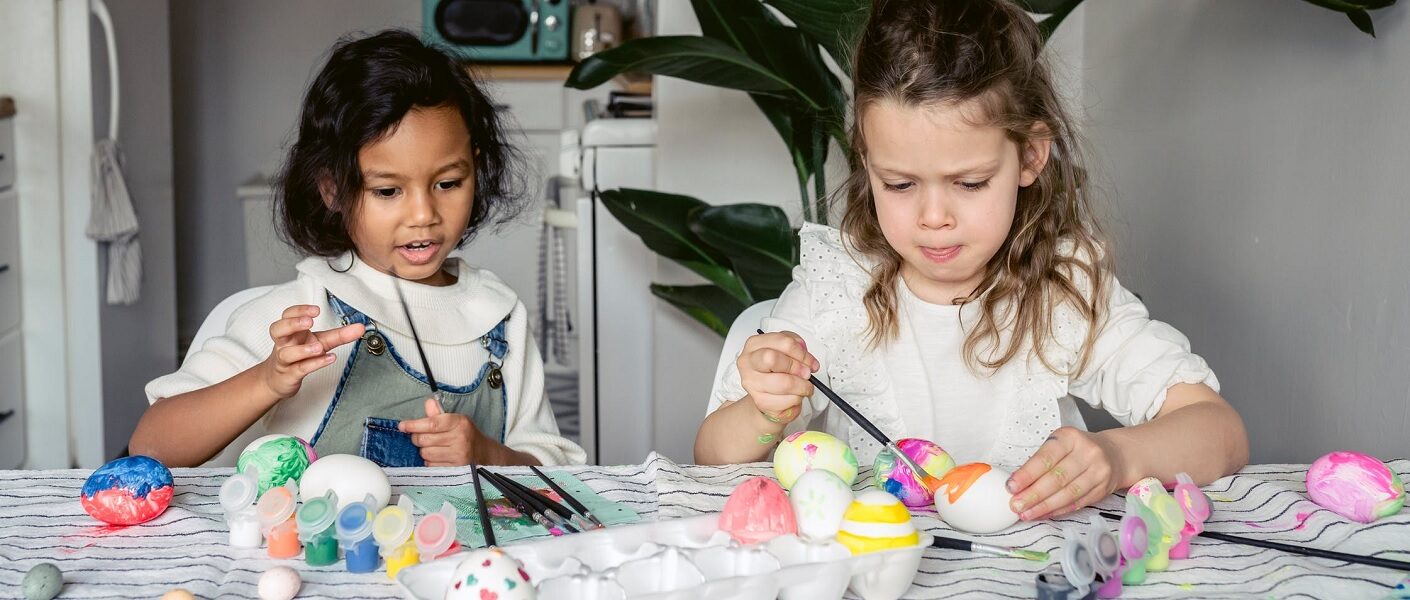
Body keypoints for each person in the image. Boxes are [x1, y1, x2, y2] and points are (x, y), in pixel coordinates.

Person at [695, 0, 1247, 522]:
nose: (935, 216)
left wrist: (1119, 457)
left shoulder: (1062, 289)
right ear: (867, 159)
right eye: (900, 183)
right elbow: (711, 457)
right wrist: (764, 411)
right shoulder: (836, 286)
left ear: (1030, 155)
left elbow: (1220, 432)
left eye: (970, 182)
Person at [131, 29, 584, 468]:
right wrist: (267, 380)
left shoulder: (501, 317)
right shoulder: (301, 313)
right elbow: (151, 445)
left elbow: (556, 472)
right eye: (388, 191)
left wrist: (490, 455)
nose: (423, 213)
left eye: (448, 183)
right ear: (332, 189)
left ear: (476, 169)